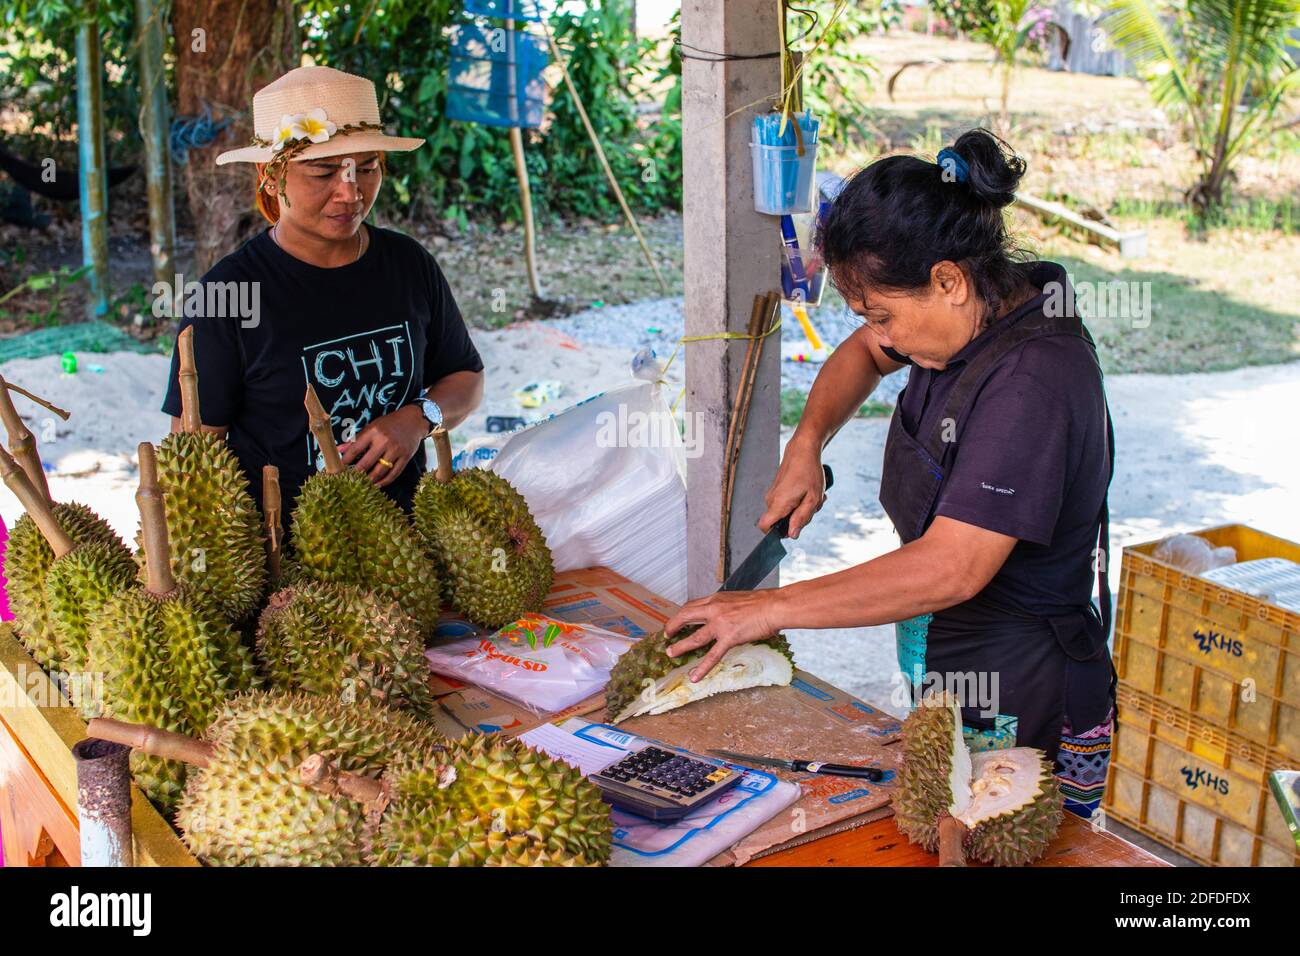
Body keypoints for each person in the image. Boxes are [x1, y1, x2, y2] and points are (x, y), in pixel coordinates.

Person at [664, 129, 1116, 817]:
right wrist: (806, 443)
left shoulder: (1035, 384)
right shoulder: (973, 309)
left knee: (1000, 843)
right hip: (953, 653)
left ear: (948, 280)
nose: (884, 335)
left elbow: (950, 568)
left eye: (885, 314)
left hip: (1026, 692)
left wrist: (767, 607)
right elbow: (864, 353)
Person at [161, 66, 484, 515]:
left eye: (367, 168)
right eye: (323, 172)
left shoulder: (409, 265)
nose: (350, 192)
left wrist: (417, 418)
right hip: (285, 561)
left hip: (408, 544)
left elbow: (465, 378)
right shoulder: (225, 295)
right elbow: (196, 463)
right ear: (270, 177)